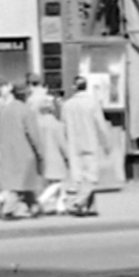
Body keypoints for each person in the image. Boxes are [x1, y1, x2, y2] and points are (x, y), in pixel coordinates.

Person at [61, 75, 110, 216]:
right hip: (90, 143)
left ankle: (90, 207)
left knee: (78, 178)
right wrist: (106, 144)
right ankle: (78, 202)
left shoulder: (67, 105)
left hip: (73, 145)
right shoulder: (92, 103)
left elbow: (63, 126)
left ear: (74, 87)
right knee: (91, 178)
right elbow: (101, 125)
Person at [0, 79, 44, 219]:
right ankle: (8, 210)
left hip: (7, 152)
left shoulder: (5, 110)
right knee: (20, 184)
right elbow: (33, 134)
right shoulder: (25, 110)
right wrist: (40, 152)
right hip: (24, 152)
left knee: (23, 183)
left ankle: (34, 207)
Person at [36, 97, 70, 214]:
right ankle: (41, 200)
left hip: (42, 157)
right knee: (58, 182)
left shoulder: (37, 124)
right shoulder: (57, 124)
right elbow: (62, 143)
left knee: (51, 182)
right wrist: (67, 156)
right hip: (56, 157)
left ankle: (60, 207)